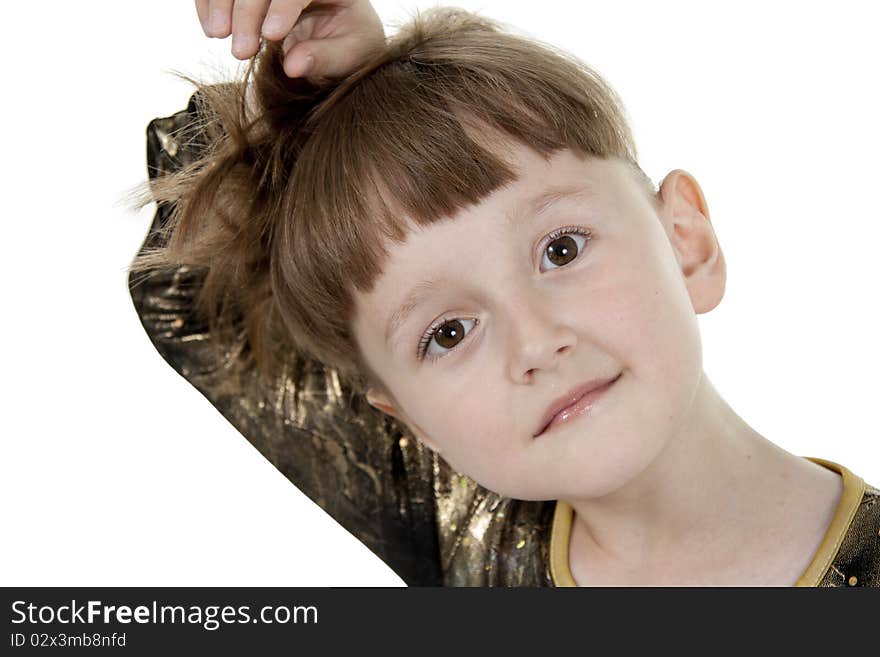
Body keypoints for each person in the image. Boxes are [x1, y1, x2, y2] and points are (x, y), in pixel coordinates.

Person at [128, 0, 880, 586]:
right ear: (407, 418)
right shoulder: (452, 515)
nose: (534, 342)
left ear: (686, 239)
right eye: (447, 333)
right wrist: (307, 103)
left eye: (561, 249)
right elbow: (184, 292)